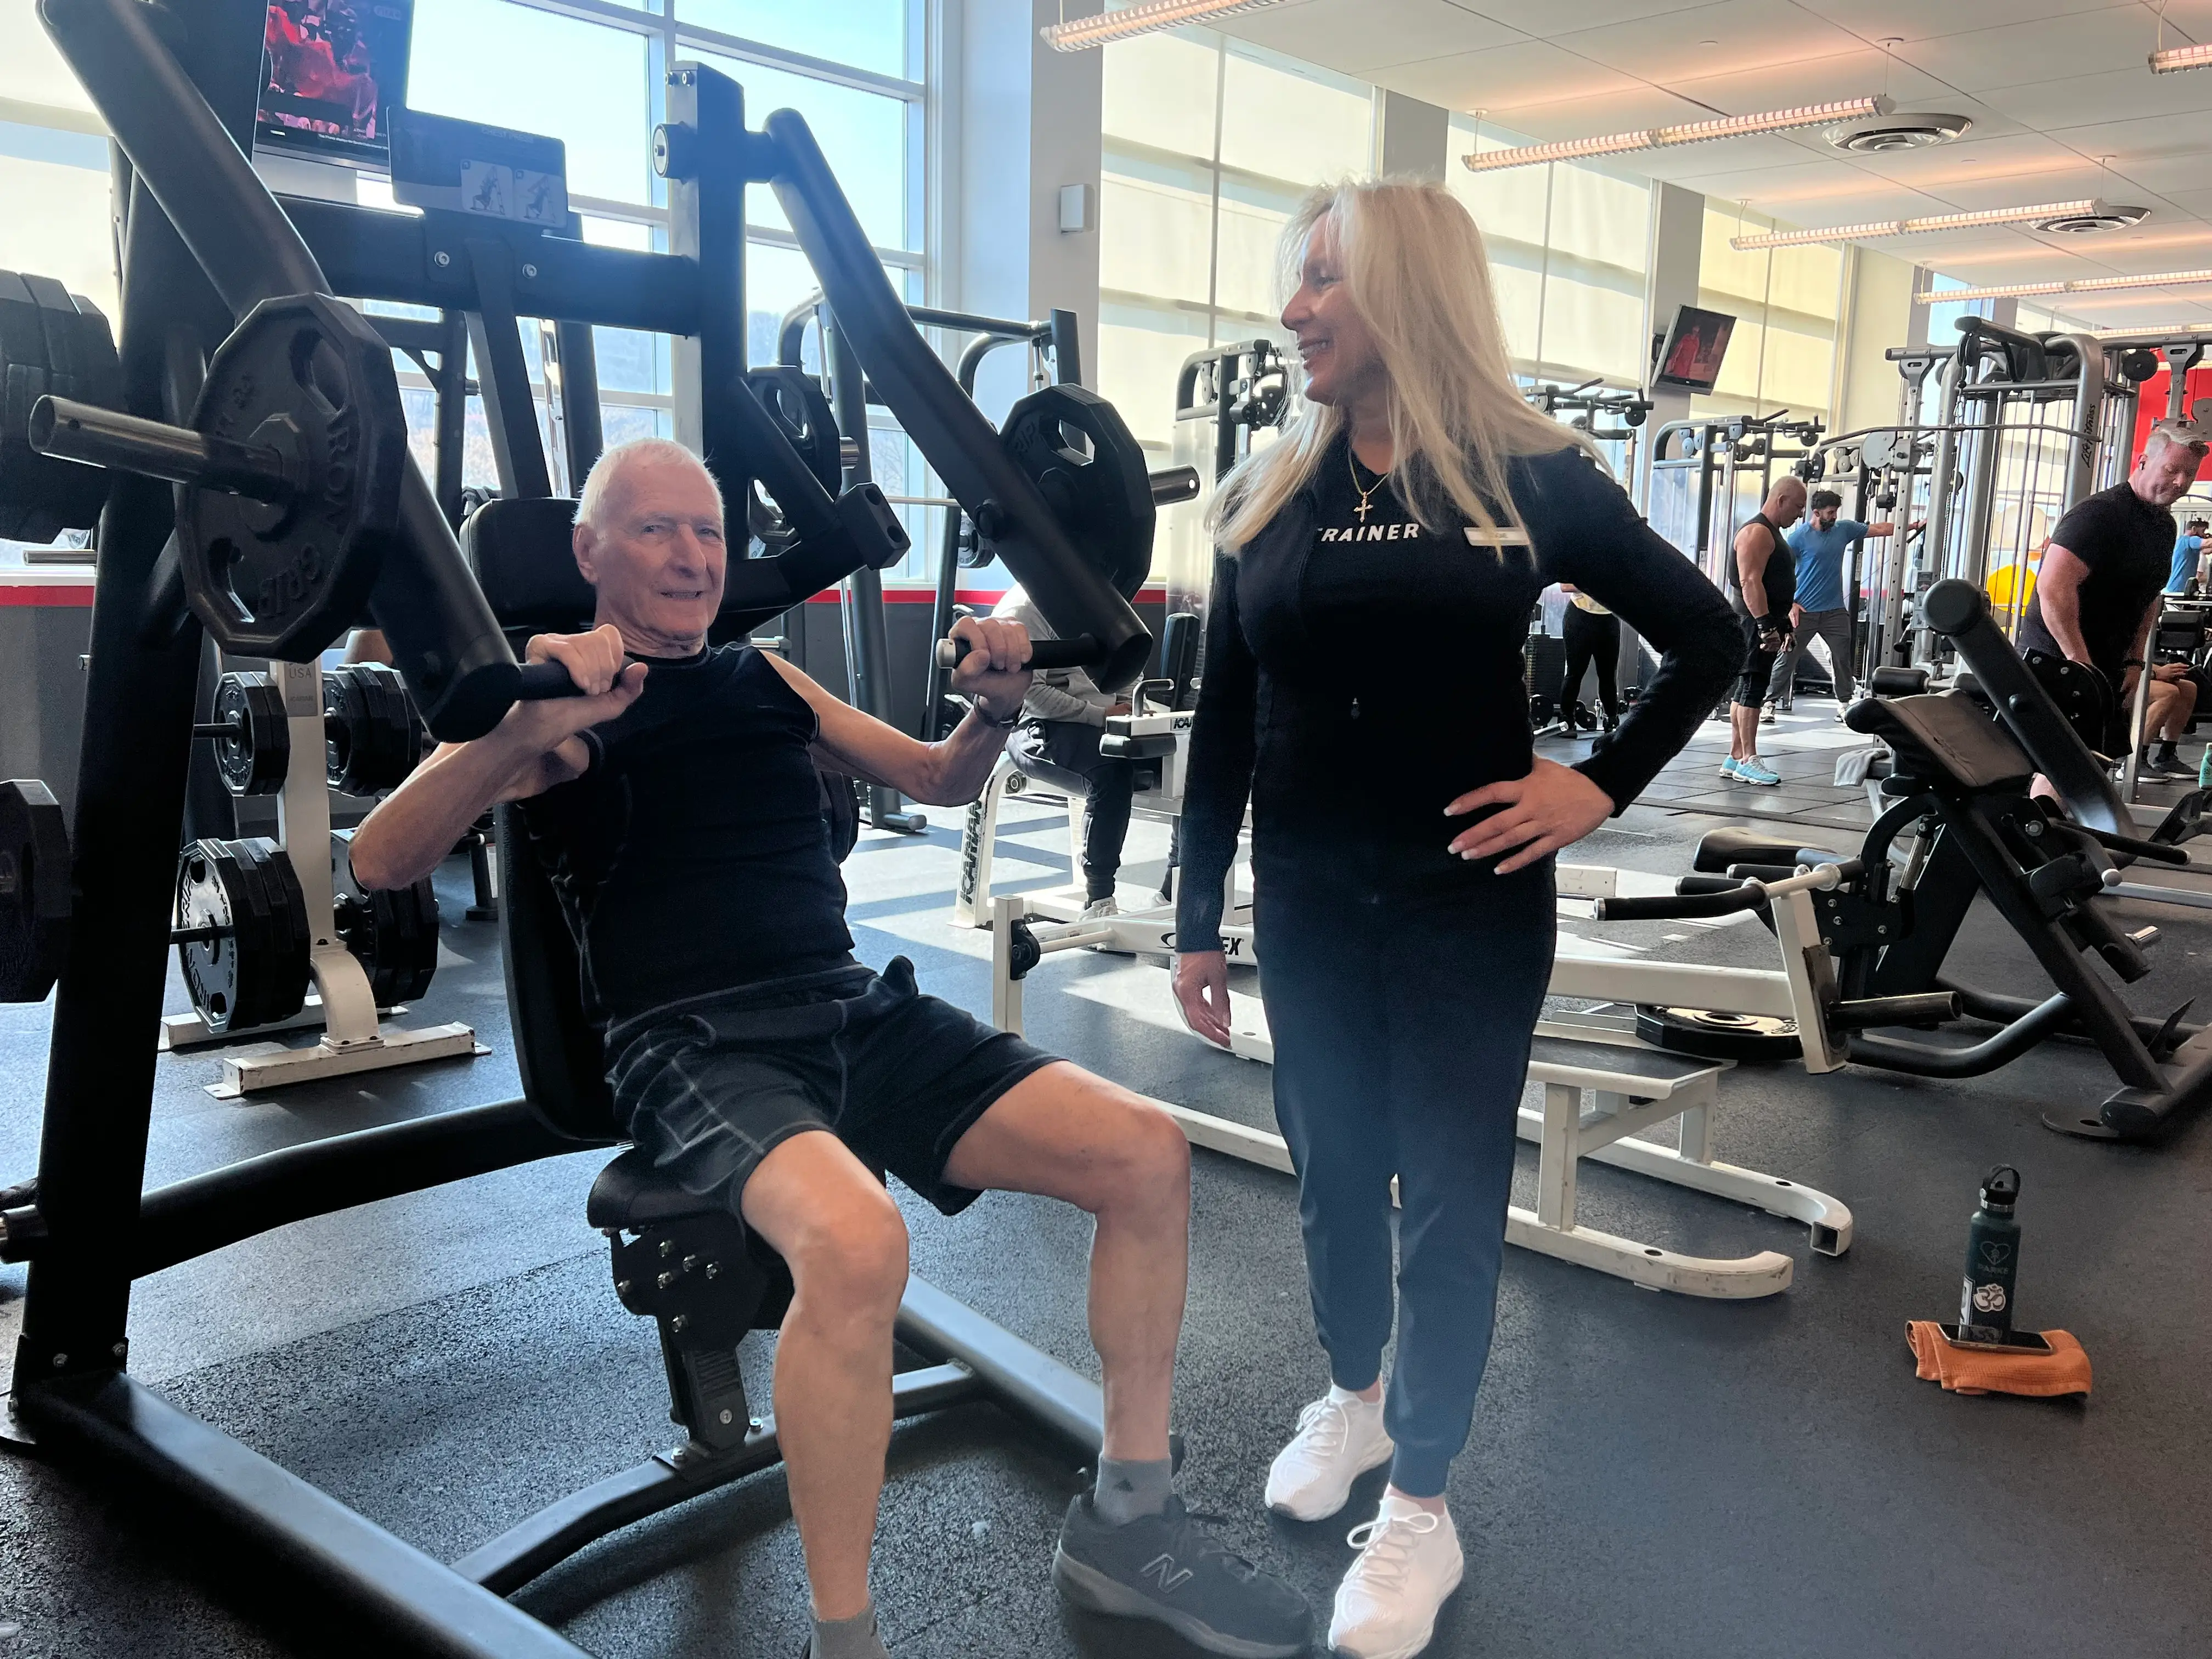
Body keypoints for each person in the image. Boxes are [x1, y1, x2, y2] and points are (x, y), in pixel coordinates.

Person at [347, 439, 1311, 1659]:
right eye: (655, 531)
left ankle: (1130, 1520)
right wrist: (527, 716)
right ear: (590, 553)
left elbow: (939, 778)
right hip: (694, 1045)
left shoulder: (767, 682)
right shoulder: (557, 719)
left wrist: (993, 704)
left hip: (851, 1007)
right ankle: (842, 1640)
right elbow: (382, 860)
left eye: (707, 530)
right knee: (860, 1246)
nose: (693, 555)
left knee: (1145, 1152)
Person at [1167, 180, 1738, 1659]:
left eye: (1321, 285)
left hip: (1465, 902)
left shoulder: (1530, 473)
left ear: (1404, 294)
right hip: (1301, 893)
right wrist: (1192, 918)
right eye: (1293, 287)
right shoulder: (1273, 488)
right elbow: (1224, 724)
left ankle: (1422, 1499)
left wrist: (1594, 786)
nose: (1292, 312)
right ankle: (1354, 1400)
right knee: (1331, 1176)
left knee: (1453, 1202)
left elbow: (1711, 638)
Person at [2019, 424, 2209, 774]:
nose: (2181, 482)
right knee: (2061, 767)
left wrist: (2136, 661)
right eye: (2172, 470)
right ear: (2142, 462)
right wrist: (2080, 663)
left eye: (2189, 474)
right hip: (2056, 662)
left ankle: (2057, 825)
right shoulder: (2100, 514)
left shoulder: (2164, 527)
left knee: (2092, 765)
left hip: (2107, 666)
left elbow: (2149, 598)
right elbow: (2053, 589)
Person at [991, 583, 1137, 918]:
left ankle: (1174, 882)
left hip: (1102, 718)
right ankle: (1099, 900)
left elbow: (1129, 666)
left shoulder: (1104, 601)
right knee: (1110, 771)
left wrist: (1129, 706)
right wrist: (1100, 716)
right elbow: (1031, 694)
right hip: (1033, 724)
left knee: (1191, 758)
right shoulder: (1024, 612)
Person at [1764, 488, 1894, 719]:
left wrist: (1913, 525)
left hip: (1834, 611)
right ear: (1816, 513)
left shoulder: (1843, 529)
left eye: (1836, 512)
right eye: (1830, 512)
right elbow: (1779, 572)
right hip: (1803, 610)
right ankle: (1769, 703)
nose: (1834, 516)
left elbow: (1880, 529)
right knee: (1787, 658)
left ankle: (1844, 704)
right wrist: (1791, 604)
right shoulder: (1798, 538)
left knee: (1842, 659)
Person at [1724, 476, 1806, 781]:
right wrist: (1765, 627)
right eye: (1797, 506)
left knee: (1746, 687)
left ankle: (1735, 757)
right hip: (1751, 622)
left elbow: (1771, 584)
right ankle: (1748, 758)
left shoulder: (1769, 533)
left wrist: (1781, 623)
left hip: (1759, 621)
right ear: (1781, 500)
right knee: (1753, 688)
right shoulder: (1758, 532)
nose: (1799, 514)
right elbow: (1749, 582)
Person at [1551, 583, 1621, 733]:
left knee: (1608, 675)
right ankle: (1566, 721)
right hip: (1579, 617)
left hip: (1608, 620)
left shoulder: (1615, 559)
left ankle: (1612, 720)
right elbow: (1565, 586)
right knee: (1575, 673)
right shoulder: (1580, 559)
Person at [2167, 515, 2207, 596]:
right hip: (2177, 591)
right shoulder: (2191, 540)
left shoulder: (2181, 541)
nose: (2204, 535)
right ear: (2194, 529)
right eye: (2203, 531)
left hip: (2177, 589)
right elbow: (2207, 544)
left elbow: (2207, 550)